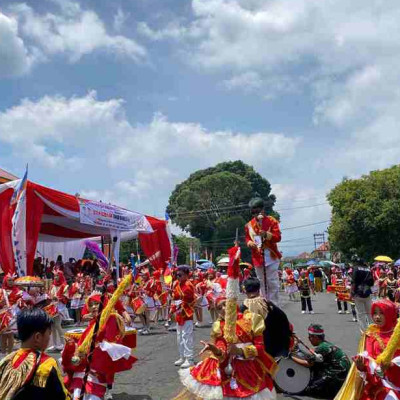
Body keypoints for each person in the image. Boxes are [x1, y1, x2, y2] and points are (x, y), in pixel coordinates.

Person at [178, 296, 277, 399]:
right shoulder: (219, 326)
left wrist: (239, 351)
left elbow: (260, 348)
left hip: (250, 367)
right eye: (219, 308)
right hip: (228, 367)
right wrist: (214, 349)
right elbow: (222, 351)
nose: (224, 309)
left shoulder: (251, 319)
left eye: (225, 304)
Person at [62, 291, 137, 400]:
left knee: (99, 384)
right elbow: (83, 338)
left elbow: (110, 341)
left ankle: (108, 390)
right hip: (87, 365)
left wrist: (126, 316)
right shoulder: (93, 321)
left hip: (100, 361)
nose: (93, 307)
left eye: (96, 304)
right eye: (91, 305)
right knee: (78, 391)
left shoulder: (111, 317)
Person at [0, 308, 70, 400]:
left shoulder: (6, 360)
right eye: (48, 334)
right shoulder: (47, 364)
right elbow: (61, 396)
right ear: (38, 337)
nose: (49, 339)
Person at [354, 299, 400, 399]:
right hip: (377, 381)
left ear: (391, 313)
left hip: (395, 380)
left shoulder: (398, 333)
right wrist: (362, 366)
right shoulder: (371, 335)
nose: (377, 317)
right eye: (374, 313)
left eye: (382, 313)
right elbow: (369, 359)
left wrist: (391, 366)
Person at [292, 324, 350, 398]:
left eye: (310, 337)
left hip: (338, 377)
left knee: (310, 390)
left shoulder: (322, 348)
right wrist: (300, 343)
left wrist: (291, 356)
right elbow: (313, 355)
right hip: (343, 373)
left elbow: (307, 363)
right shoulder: (325, 344)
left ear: (315, 337)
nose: (309, 338)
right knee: (316, 365)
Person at [241, 278, 292, 358]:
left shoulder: (242, 307)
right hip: (271, 344)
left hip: (252, 347)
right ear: (258, 289)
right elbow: (283, 319)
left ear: (245, 290)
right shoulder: (267, 304)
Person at [245, 197, 282, 304]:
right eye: (253, 212)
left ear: (262, 210)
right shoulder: (248, 225)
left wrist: (266, 234)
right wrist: (249, 243)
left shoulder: (271, 221)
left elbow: (278, 237)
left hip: (271, 255)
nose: (256, 214)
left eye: (257, 211)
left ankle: (274, 305)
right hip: (257, 257)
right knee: (261, 282)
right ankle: (264, 303)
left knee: (272, 282)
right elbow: (247, 238)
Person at [171, 265, 195, 369]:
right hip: (178, 312)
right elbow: (175, 298)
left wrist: (179, 304)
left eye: (180, 275)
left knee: (186, 336)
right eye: (176, 275)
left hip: (186, 313)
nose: (178, 276)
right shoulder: (177, 284)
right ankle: (182, 356)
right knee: (179, 336)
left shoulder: (189, 285)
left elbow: (190, 300)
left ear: (186, 275)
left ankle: (189, 359)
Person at [351, 257, 374, 332]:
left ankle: (364, 332)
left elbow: (353, 281)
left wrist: (352, 292)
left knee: (360, 314)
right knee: (370, 313)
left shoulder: (355, 268)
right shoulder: (368, 269)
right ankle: (372, 330)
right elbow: (371, 282)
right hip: (367, 293)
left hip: (358, 293)